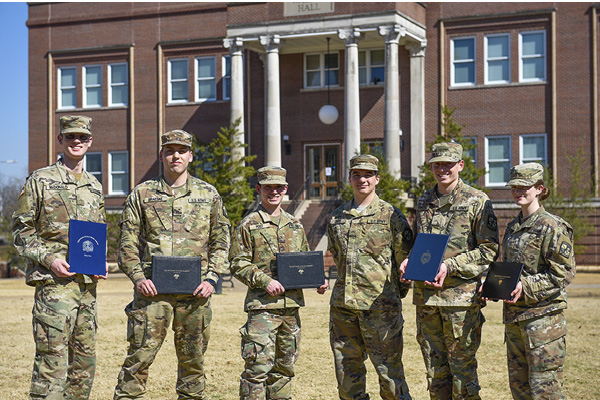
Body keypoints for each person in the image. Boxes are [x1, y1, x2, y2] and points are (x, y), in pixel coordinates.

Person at [113, 129, 230, 400]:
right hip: (152, 293)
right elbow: (127, 243)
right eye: (169, 150)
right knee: (138, 359)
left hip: (195, 294)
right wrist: (139, 277)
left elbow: (222, 240)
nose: (175, 156)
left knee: (193, 363)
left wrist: (212, 278)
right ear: (162, 155)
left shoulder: (208, 194)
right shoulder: (142, 194)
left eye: (181, 151)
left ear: (190, 155)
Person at [12, 115, 107, 399]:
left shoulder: (95, 186)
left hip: (87, 290)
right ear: (60, 140)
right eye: (70, 137)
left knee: (83, 366)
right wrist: (50, 259)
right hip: (54, 288)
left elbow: (96, 232)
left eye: (82, 137)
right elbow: (21, 231)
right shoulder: (41, 180)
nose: (76, 141)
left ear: (90, 141)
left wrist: (99, 261)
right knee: (51, 365)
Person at [399, 142, 499, 399]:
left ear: (460, 165)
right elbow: (421, 243)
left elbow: (489, 250)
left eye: (448, 164)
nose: (442, 169)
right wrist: (409, 260)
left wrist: (449, 266)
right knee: (435, 373)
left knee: (462, 374)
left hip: (460, 303)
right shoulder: (424, 200)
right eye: (437, 164)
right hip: (427, 301)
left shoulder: (477, 200)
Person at [229, 166, 328, 400]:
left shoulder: (294, 224)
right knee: (257, 370)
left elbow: (304, 260)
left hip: (291, 309)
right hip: (262, 309)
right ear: (258, 189)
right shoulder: (249, 224)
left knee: (285, 369)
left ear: (285, 189)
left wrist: (317, 280)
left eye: (278, 187)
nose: (273, 192)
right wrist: (265, 281)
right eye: (267, 187)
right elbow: (236, 262)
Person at [327, 154, 414, 400]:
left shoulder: (392, 216)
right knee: (347, 376)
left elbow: (403, 261)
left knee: (390, 377)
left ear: (377, 179)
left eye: (368, 175)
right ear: (349, 178)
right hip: (344, 309)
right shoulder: (337, 217)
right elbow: (337, 256)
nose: (362, 179)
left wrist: (394, 297)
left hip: (380, 309)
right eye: (357, 174)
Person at [493, 162, 575, 399]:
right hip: (515, 319)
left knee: (544, 391)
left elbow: (563, 272)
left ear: (539, 188)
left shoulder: (552, 226)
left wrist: (524, 286)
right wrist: (493, 285)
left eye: (524, 187)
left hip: (543, 322)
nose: (518, 192)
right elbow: (510, 270)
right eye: (514, 187)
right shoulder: (513, 226)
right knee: (520, 390)